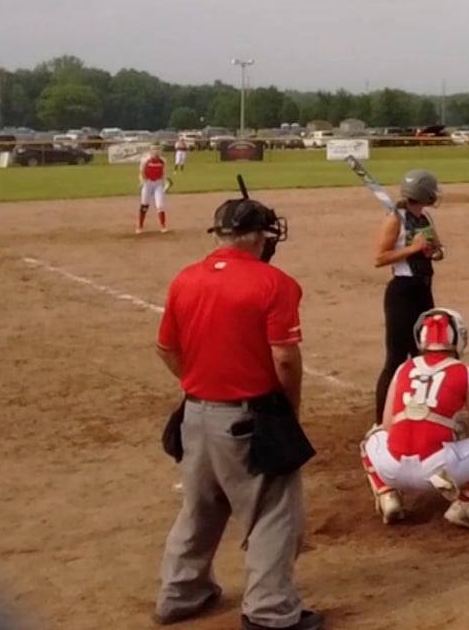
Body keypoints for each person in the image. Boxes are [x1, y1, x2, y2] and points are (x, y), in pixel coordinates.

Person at [154, 192, 322, 630]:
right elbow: (285, 358)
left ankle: (180, 594)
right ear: (258, 237)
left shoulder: (185, 279)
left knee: (200, 507)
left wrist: (202, 384)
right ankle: (269, 611)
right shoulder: (274, 283)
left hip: (194, 416)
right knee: (274, 514)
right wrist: (288, 411)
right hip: (250, 419)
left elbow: (166, 348)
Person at [359, 308, 469, 527]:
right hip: (435, 470)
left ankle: (387, 496)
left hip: (391, 469)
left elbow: (387, 426)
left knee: (372, 436)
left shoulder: (403, 368)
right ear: (459, 337)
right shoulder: (465, 372)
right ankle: (466, 506)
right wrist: (458, 430)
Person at [372, 170, 445, 425]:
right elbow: (379, 258)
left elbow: (438, 250)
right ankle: (380, 422)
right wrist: (412, 249)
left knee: (422, 354)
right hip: (402, 293)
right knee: (395, 358)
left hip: (423, 290)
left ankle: (417, 412)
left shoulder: (424, 217)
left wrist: (433, 251)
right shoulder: (395, 219)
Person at [139, 147, 169, 234]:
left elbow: (164, 173)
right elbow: (141, 172)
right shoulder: (145, 160)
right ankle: (140, 226)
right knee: (144, 204)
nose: (156, 151)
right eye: (154, 149)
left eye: (158, 150)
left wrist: (165, 183)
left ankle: (163, 226)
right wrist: (142, 182)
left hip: (158, 183)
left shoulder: (163, 160)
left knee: (160, 205)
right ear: (151, 151)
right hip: (147, 183)